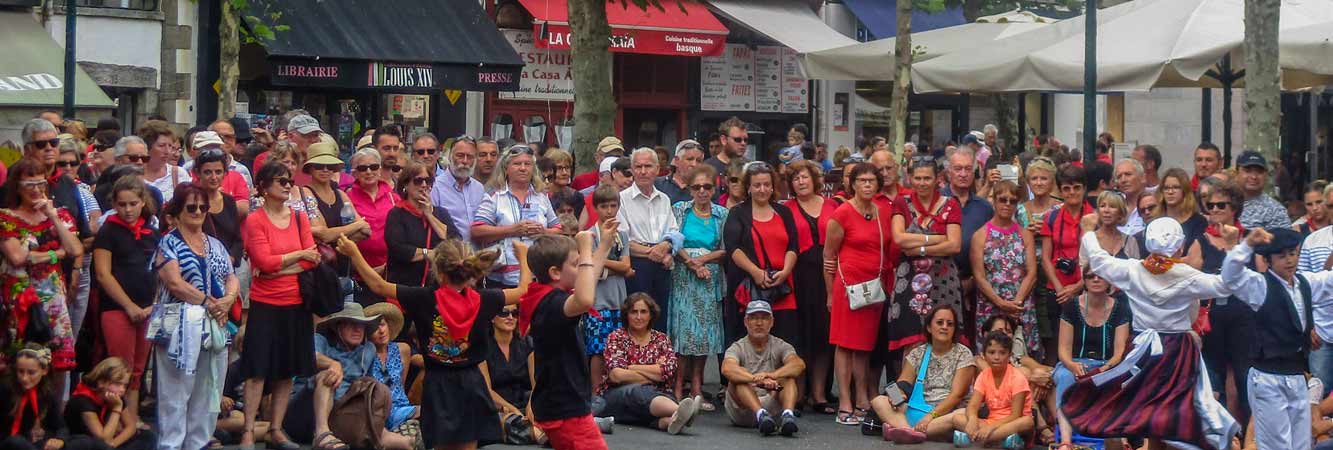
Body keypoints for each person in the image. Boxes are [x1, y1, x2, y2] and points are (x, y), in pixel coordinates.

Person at [338, 228, 531, 450]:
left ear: (438, 273)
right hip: (471, 382)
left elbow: (378, 285)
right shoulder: (485, 299)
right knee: (468, 445)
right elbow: (523, 290)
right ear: (471, 273)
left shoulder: (422, 298)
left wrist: (354, 253)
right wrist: (523, 257)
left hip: (438, 384)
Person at [1062, 218, 1239, 450]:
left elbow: (1097, 258)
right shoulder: (1188, 275)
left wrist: (1087, 231)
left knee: (1149, 416)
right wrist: (1233, 247)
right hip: (1178, 354)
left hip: (1144, 351)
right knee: (1178, 416)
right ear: (1180, 247)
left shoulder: (1132, 270)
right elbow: (1227, 284)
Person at [1222, 227, 1333, 450]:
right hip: (1268, 375)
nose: (1289, 260)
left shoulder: (1304, 283)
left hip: (1297, 374)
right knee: (1277, 445)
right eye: (1281, 256)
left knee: (1301, 443)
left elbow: (1330, 280)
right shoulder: (1259, 286)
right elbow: (1230, 275)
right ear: (1268, 260)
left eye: (1293, 253)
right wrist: (1246, 246)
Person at [239, 162, 319, 450]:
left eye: (288, 180)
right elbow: (263, 262)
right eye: (279, 181)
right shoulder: (255, 220)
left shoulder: (299, 218)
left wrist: (280, 267)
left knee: (287, 369)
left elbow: (313, 258)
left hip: (296, 302)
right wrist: (295, 257)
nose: (287, 185)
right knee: (257, 369)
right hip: (265, 303)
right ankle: (248, 430)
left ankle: (276, 428)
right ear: (263, 186)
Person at [153, 183, 239, 450]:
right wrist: (208, 302)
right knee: (175, 395)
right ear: (177, 212)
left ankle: (198, 444)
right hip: (177, 323)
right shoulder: (168, 243)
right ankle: (171, 446)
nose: (198, 211)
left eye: (203, 207)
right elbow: (174, 283)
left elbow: (231, 276)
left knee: (209, 391)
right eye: (191, 207)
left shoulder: (214, 243)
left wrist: (227, 300)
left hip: (214, 324)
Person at [523, 224, 619, 450]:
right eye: (576, 265)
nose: (582, 268)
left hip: (565, 403)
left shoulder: (553, 297)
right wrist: (584, 248)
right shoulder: (551, 304)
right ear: (555, 273)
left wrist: (603, 244)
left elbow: (588, 279)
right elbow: (586, 299)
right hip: (565, 407)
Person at [0, 158, 85, 374]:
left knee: (55, 361)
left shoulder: (60, 214)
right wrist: (56, 254)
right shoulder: (6, 218)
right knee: (18, 359)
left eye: (41, 183)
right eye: (30, 185)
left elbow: (75, 250)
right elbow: (17, 258)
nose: (36, 190)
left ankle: (53, 408)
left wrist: (53, 216)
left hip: (53, 297)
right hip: (20, 298)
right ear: (17, 187)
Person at [822, 163, 892, 425]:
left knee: (864, 346)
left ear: (877, 184)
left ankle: (862, 398)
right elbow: (828, 256)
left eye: (871, 181)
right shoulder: (841, 213)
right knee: (844, 344)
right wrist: (830, 293)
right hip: (846, 287)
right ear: (851, 184)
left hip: (873, 289)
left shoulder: (881, 211)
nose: (866, 185)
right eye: (861, 180)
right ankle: (844, 402)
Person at [296, 304, 416, 450]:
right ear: (337, 326)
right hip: (308, 412)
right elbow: (310, 357)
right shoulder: (321, 340)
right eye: (351, 324)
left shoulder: (368, 350)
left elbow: (370, 384)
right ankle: (322, 433)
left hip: (343, 412)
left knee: (376, 388)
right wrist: (332, 364)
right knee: (328, 376)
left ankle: (404, 440)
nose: (358, 329)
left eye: (361, 325)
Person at [92, 176, 159, 428]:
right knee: (120, 367)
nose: (128, 210)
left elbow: (158, 270)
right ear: (114, 204)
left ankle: (133, 418)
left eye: (133, 203)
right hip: (118, 308)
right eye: (122, 204)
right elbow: (103, 274)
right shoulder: (108, 231)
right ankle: (117, 419)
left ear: (143, 202)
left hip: (147, 308)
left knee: (138, 370)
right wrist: (129, 305)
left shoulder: (151, 231)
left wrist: (152, 304)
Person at [594, 293, 701, 434]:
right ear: (627, 315)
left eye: (643, 312)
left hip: (659, 394)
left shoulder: (661, 339)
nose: (639, 317)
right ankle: (681, 409)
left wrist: (631, 367)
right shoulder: (616, 337)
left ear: (651, 315)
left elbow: (668, 372)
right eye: (634, 312)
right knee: (638, 391)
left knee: (659, 402)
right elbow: (617, 376)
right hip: (618, 395)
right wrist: (655, 372)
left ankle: (673, 420)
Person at [888, 156, 964, 351]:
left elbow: (955, 245)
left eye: (927, 178)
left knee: (944, 336)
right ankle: (910, 382)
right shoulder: (901, 202)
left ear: (937, 179)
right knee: (911, 338)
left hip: (943, 279)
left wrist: (920, 248)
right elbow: (899, 238)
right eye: (918, 178)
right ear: (910, 178)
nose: (922, 183)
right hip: (910, 277)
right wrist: (939, 238)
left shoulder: (950, 204)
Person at [871, 305, 977, 444]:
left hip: (945, 414)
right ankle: (910, 431)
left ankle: (903, 430)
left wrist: (930, 416)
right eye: (940, 322)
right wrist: (897, 396)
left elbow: (956, 396)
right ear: (928, 327)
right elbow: (902, 383)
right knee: (879, 400)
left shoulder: (963, 354)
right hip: (917, 410)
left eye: (950, 324)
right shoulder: (918, 353)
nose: (945, 327)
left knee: (961, 415)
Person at [1049, 269, 1130, 450]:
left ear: (1109, 281)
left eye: (1100, 276)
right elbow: (1063, 350)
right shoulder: (1071, 306)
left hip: (1108, 364)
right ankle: (1066, 442)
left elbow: (1119, 352)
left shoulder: (1120, 308)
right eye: (1090, 276)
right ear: (1084, 280)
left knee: (1121, 378)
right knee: (1064, 376)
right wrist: (1072, 365)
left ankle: (1121, 440)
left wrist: (1104, 369)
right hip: (1075, 362)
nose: (1095, 279)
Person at [666, 165, 727, 406]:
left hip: (708, 277)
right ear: (689, 188)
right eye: (696, 187)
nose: (702, 191)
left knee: (702, 334)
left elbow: (725, 249)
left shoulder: (722, 214)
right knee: (682, 332)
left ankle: (698, 388)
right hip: (683, 275)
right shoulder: (680, 209)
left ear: (714, 188)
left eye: (707, 186)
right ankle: (678, 386)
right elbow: (671, 239)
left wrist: (703, 260)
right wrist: (691, 263)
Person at [723, 161, 799, 347]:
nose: (762, 189)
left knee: (784, 341)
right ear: (748, 188)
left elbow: (793, 246)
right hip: (752, 289)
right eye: (757, 185)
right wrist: (756, 272)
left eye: (767, 184)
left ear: (773, 187)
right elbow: (733, 248)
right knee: (751, 342)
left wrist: (786, 271)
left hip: (783, 288)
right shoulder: (737, 213)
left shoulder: (784, 212)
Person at [780, 160, 836, 411]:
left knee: (824, 337)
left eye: (804, 177)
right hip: (798, 278)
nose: (801, 182)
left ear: (814, 179)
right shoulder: (785, 209)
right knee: (799, 337)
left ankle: (820, 394)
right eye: (795, 179)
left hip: (827, 276)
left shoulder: (832, 205)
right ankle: (799, 394)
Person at [474, 144, 561, 288]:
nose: (522, 168)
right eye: (517, 164)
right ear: (506, 169)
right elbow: (477, 231)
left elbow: (558, 229)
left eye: (527, 164)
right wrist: (512, 230)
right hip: (501, 279)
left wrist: (543, 232)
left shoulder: (541, 197)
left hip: (537, 275)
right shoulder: (494, 197)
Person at [971, 180, 1040, 357]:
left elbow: (1031, 273)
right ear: (994, 200)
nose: (1007, 204)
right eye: (1003, 199)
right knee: (992, 355)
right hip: (991, 305)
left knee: (1022, 355)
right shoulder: (980, 235)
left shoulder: (1025, 235)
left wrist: (1016, 303)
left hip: (1020, 305)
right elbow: (979, 276)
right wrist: (1000, 303)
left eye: (1012, 200)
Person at [721, 300, 806, 436]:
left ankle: (788, 415)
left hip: (772, 407)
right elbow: (727, 368)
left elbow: (798, 364)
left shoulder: (780, 344)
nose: (759, 323)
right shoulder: (737, 347)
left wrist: (773, 375)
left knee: (788, 378)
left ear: (771, 322)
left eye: (764, 318)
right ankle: (760, 414)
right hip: (743, 410)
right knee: (737, 379)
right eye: (754, 318)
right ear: (746, 322)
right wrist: (755, 379)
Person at [581, 185, 633, 392]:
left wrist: (603, 263)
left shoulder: (623, 235)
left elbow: (626, 266)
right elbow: (590, 267)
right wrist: (614, 266)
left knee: (617, 347)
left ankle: (612, 388)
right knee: (597, 348)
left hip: (618, 300)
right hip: (597, 300)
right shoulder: (590, 235)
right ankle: (595, 391)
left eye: (613, 206)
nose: (609, 211)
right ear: (596, 208)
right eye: (604, 206)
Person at [948, 331, 1033, 449]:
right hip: (991, 422)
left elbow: (1016, 415)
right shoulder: (984, 376)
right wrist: (972, 420)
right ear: (983, 355)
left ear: (1009, 356)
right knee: (957, 419)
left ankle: (976, 439)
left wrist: (991, 428)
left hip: (1012, 424)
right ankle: (1001, 441)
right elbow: (973, 406)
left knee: (1027, 422)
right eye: (992, 352)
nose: (997, 357)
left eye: (1002, 353)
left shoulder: (1017, 378)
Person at [385, 161, 461, 289]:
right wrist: (429, 254)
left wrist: (430, 215)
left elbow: (456, 242)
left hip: (437, 288)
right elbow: (398, 249)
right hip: (405, 287)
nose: (424, 185)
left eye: (428, 181)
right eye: (418, 181)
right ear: (406, 184)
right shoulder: (396, 214)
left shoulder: (441, 213)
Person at [1039, 165, 1089, 357]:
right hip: (1057, 290)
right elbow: (1045, 257)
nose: (1072, 193)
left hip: (1086, 288)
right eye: (1066, 188)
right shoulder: (1052, 217)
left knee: (1082, 342)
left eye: (1077, 187)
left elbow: (1099, 258)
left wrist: (1077, 287)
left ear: (1084, 188)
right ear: (1060, 191)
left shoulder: (1094, 216)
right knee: (1057, 345)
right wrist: (1060, 288)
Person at [481, 303, 543, 445]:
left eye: (515, 313)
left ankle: (528, 430)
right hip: (499, 408)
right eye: (504, 313)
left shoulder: (527, 344)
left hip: (526, 404)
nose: (510, 317)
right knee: (490, 422)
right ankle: (535, 432)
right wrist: (513, 410)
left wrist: (531, 405)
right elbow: (486, 390)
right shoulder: (483, 348)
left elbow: (537, 383)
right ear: (492, 318)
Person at [1, 346, 85, 450]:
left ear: (44, 371)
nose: (24, 378)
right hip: (9, 443)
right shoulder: (5, 390)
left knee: (82, 440)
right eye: (20, 371)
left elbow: (61, 426)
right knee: (16, 441)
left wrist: (60, 440)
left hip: (36, 443)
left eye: (31, 372)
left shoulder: (47, 393)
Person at [65, 358, 155, 450]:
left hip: (106, 444)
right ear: (101, 382)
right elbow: (104, 440)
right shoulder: (83, 401)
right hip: (83, 444)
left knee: (147, 436)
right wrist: (116, 408)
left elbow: (131, 427)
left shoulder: (115, 396)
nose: (122, 390)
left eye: (125, 385)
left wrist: (114, 444)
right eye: (117, 384)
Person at [346, 148, 400, 299]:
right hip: (360, 275)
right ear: (355, 173)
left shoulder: (393, 198)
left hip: (390, 274)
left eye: (374, 167)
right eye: (363, 168)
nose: (369, 171)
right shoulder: (346, 198)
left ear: (380, 169)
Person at [362, 303, 419, 432]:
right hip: (375, 413)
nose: (381, 331)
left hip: (402, 410)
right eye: (374, 328)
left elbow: (400, 387)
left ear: (389, 326)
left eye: (382, 324)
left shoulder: (403, 349)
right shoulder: (363, 354)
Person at [430, 136, 484, 243]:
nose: (464, 161)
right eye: (460, 155)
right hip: (450, 253)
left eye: (470, 157)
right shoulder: (435, 187)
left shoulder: (479, 188)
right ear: (450, 156)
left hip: (476, 255)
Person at [1235, 150, 1292, 230]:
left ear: (1266, 176)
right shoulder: (1221, 204)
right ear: (1237, 173)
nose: (1254, 177)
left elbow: (1285, 241)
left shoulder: (1275, 210)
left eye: (1259, 172)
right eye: (1248, 171)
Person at [137, 120, 192, 203]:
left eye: (170, 146)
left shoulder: (179, 174)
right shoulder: (133, 175)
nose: (167, 151)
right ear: (147, 147)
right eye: (161, 146)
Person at [1159, 168, 1208, 254]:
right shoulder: (1156, 221)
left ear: (1185, 190)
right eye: (1166, 188)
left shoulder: (1198, 222)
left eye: (1176, 187)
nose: (1170, 192)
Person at [1086, 190, 1144, 260]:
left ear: (1121, 212)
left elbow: (1136, 269)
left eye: (1112, 206)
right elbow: (1083, 268)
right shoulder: (1090, 240)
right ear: (1098, 211)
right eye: (1102, 206)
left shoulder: (1130, 241)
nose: (1106, 210)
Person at [705, 117, 750, 181]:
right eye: (737, 140)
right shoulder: (707, 167)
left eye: (745, 140)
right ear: (724, 140)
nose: (743, 143)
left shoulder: (750, 167)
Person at [1112, 159, 1147, 235]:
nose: (1123, 180)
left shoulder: (1154, 205)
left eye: (1128, 174)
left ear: (1142, 177)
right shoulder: (1113, 206)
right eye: (1119, 177)